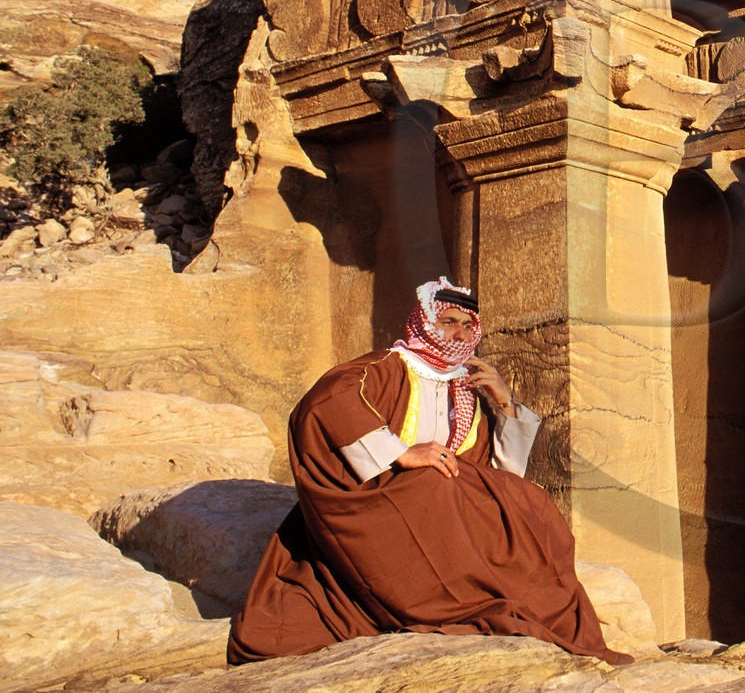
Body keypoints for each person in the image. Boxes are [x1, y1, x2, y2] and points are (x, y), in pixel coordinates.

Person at [227, 277, 631, 667]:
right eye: (447, 322)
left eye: (467, 325)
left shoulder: (465, 390)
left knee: (529, 501)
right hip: (379, 504)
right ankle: (446, 601)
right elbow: (324, 404)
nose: (458, 333)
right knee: (430, 484)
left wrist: (504, 402)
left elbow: (497, 471)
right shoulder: (386, 366)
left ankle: (518, 602)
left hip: (438, 512)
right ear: (424, 321)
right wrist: (400, 453)